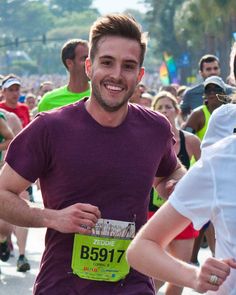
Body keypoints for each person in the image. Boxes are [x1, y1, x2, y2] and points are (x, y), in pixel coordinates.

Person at [0, 14, 186, 295]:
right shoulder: (50, 128)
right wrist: (51, 217)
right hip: (62, 286)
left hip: (133, 285)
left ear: (140, 75)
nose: (116, 75)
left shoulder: (155, 128)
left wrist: (176, 184)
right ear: (89, 66)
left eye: (128, 66)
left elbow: (169, 172)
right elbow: (3, 194)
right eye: (107, 62)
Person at [127, 102, 236, 294]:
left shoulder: (193, 141)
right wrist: (194, 277)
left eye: (168, 106)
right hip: (159, 210)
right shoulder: (224, 157)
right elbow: (140, 249)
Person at [150, 91, 201, 295]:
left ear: (177, 110)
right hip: (153, 213)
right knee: (155, 275)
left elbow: (206, 171)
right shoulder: (148, 141)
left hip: (182, 214)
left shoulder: (190, 141)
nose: (164, 111)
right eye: (159, 107)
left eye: (168, 106)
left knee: (178, 276)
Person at [0, 74, 31, 272]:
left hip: (14, 168)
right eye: (10, 89)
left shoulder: (18, 113)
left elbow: (19, 141)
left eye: (17, 89)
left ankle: (21, 255)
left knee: (22, 208)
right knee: (3, 223)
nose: (14, 93)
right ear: (3, 92)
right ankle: (3, 240)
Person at [38, 39, 90, 112]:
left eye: (92, 58)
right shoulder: (48, 101)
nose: (90, 62)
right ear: (69, 63)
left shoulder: (101, 94)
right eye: (85, 58)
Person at [180, 54, 234, 121]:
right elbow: (182, 114)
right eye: (208, 69)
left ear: (219, 70)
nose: (213, 72)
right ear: (201, 73)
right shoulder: (191, 94)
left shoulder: (232, 92)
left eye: (215, 68)